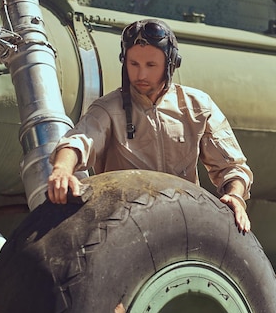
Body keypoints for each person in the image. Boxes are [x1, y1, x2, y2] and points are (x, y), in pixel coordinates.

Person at [47, 18, 252, 233]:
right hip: (124, 226)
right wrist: (62, 169)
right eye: (134, 64)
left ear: (171, 63)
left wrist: (235, 195)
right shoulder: (108, 109)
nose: (141, 75)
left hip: (184, 223)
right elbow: (78, 140)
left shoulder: (197, 106)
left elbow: (233, 167)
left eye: (151, 65)